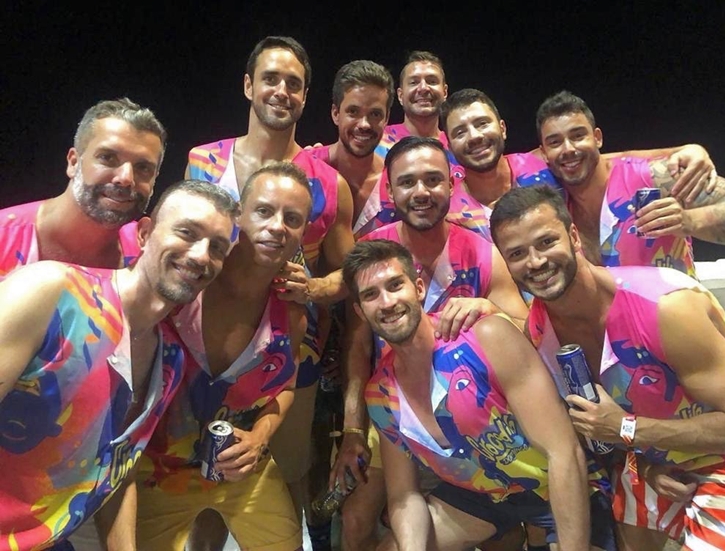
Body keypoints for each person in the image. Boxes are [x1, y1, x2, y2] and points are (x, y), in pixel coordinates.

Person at [490, 184, 725, 551]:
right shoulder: (539, 330)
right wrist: (647, 465)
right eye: (517, 253)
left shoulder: (666, 309)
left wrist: (628, 429)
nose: (535, 262)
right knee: (627, 490)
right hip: (659, 459)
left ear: (574, 237)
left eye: (546, 242)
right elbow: (604, 432)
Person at [0, 180, 238, 550]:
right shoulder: (52, 292)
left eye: (217, 247)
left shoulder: (169, 361)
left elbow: (116, 467)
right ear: (144, 234)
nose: (201, 255)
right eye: (187, 233)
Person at [341, 239, 615, 551]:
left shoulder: (484, 336)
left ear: (418, 288)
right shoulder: (380, 394)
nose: (387, 302)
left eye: (395, 285)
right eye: (371, 295)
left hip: (557, 484)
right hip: (484, 494)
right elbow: (405, 495)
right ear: (360, 311)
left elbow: (563, 452)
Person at [184, 35, 355, 520]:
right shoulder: (203, 162)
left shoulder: (328, 182)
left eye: (294, 83)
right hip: (200, 344)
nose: (282, 91)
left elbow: (355, 273)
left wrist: (316, 288)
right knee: (191, 469)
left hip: (290, 353)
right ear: (248, 85)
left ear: (305, 96)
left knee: (288, 469)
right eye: (271, 79)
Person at [334, 136, 530, 550]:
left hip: (475, 408)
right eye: (407, 182)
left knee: (499, 529)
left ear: (451, 185)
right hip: (396, 407)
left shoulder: (481, 251)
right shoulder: (372, 252)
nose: (421, 192)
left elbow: (529, 332)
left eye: (432, 180)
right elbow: (357, 346)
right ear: (390, 190)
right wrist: (353, 428)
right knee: (355, 518)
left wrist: (490, 309)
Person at [136, 163, 311, 551]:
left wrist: (259, 438)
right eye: (264, 211)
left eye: (293, 219)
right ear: (239, 216)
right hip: (155, 471)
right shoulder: (186, 279)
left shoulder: (290, 313)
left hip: (242, 472)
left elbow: (285, 386)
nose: (278, 226)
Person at [441, 88, 718, 241]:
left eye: (482, 123)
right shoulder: (447, 206)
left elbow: (609, 159)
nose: (475, 136)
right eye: (460, 132)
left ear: (502, 128)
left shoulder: (538, 164)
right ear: (449, 145)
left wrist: (685, 150)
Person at [535, 90, 725, 276]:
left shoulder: (650, 176)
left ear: (597, 138)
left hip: (679, 309)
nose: (568, 149)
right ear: (543, 153)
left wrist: (689, 221)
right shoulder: (548, 200)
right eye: (555, 142)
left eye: (578, 136)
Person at [0, 97, 166, 275]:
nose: (126, 178)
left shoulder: (149, 252)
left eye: (143, 168)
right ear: (73, 162)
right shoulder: (4, 236)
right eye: (107, 157)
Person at [310, 59, 396, 240]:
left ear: (386, 118)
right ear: (335, 113)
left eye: (375, 114)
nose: (364, 124)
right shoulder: (307, 169)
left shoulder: (397, 181)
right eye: (353, 112)